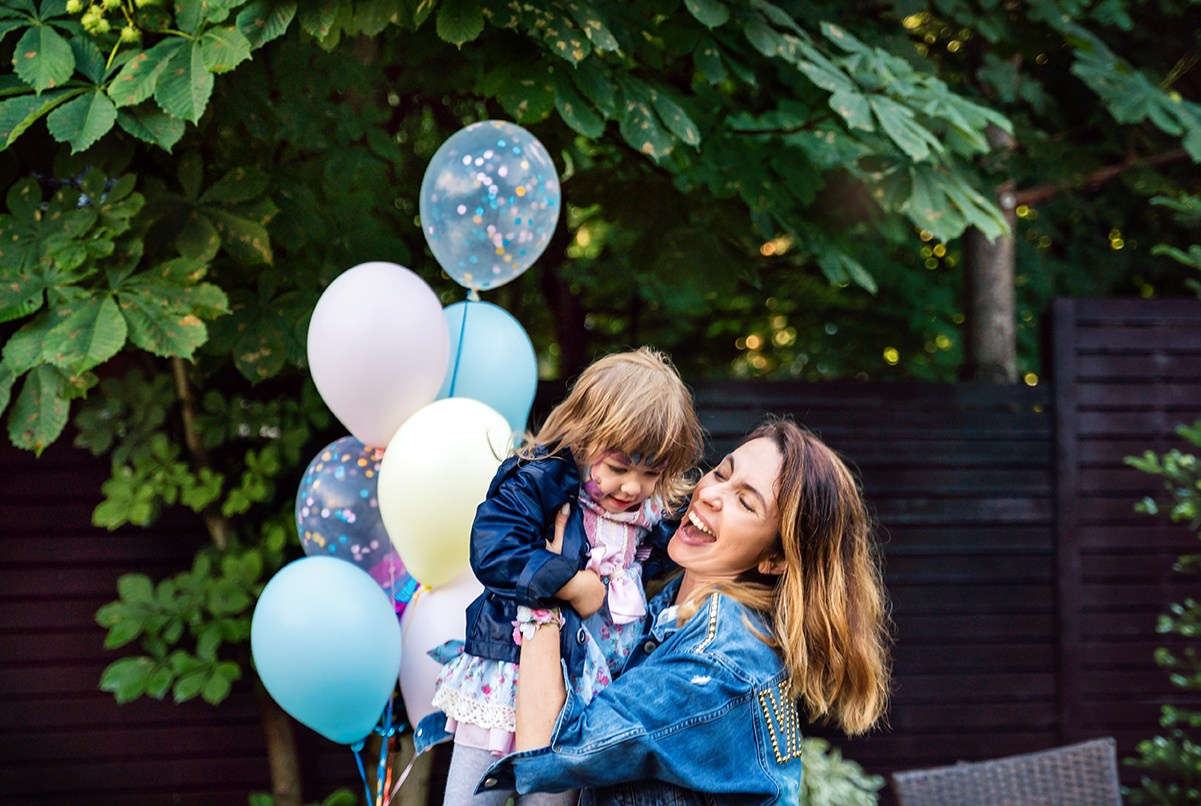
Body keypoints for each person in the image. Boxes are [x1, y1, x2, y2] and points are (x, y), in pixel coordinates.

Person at [478, 418, 892, 804]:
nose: (709, 493)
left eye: (745, 504)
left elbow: (546, 748)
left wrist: (543, 582)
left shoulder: (715, 664)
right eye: (722, 473)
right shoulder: (664, 611)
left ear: (775, 559)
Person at [429, 348, 704, 805]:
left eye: (650, 472)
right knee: (474, 797)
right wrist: (572, 583)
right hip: (511, 669)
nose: (632, 487)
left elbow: (669, 554)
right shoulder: (540, 482)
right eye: (618, 468)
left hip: (583, 689)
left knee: (554, 799)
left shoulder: (649, 514)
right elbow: (495, 549)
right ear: (582, 436)